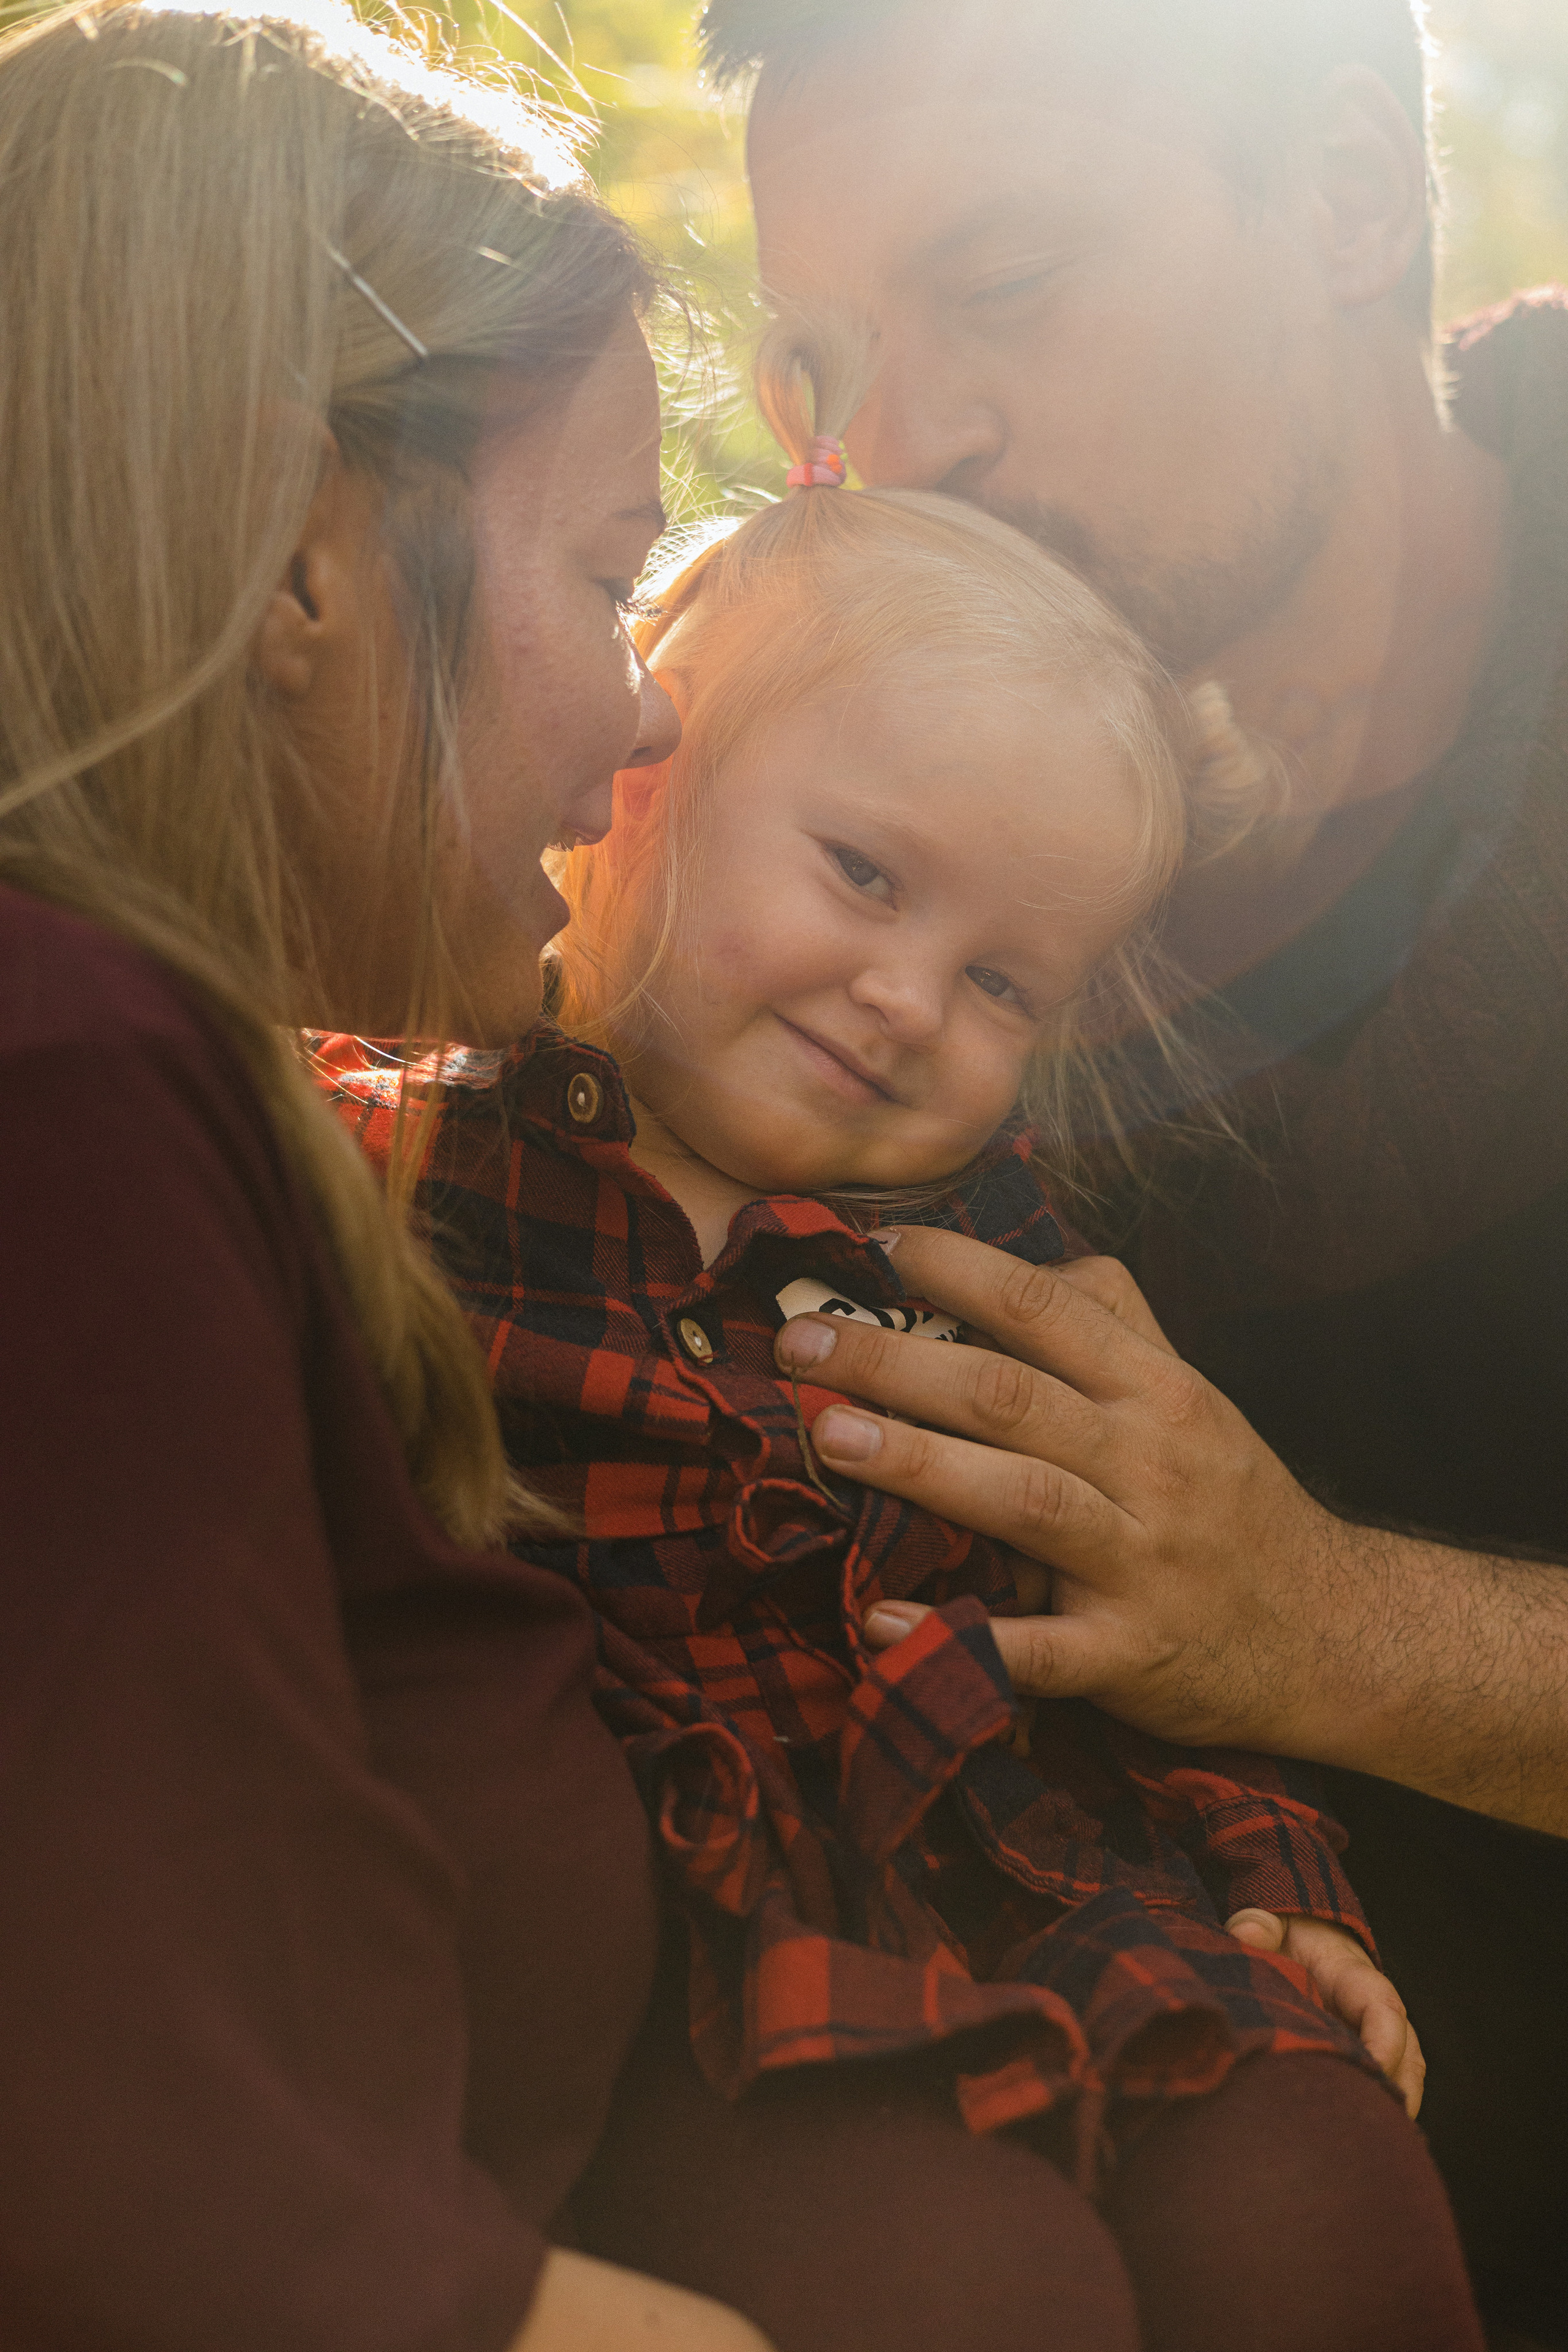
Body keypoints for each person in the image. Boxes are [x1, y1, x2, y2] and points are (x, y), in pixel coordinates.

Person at [325, 336, 1476, 2352]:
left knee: (1325, 2179)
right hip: (689, 1944)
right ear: (637, 781)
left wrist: (1275, 1875)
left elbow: (1154, 1631)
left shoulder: (993, 1253)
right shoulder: (417, 1149)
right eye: (863, 876)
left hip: (1037, 1868)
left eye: (1004, 978)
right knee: (947, 2282)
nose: (904, 997)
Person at [696, 0, 1568, 2336]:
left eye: (1006, 285)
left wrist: (1322, 1629)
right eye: (829, 364)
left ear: (1354, 189)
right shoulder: (840, 832)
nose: (908, 442)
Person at [0, 6, 787, 2347]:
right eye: (608, 570)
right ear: (299, 561)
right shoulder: (70, 1094)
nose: (653, 714)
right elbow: (161, 2206)